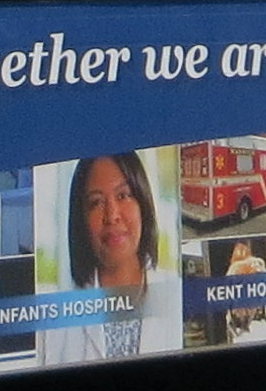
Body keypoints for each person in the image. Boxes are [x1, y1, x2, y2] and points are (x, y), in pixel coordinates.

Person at [38, 152, 182, 363]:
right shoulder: (51, 320)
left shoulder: (179, 297)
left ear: (143, 204)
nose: (112, 215)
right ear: (81, 220)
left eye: (123, 195)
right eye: (96, 202)